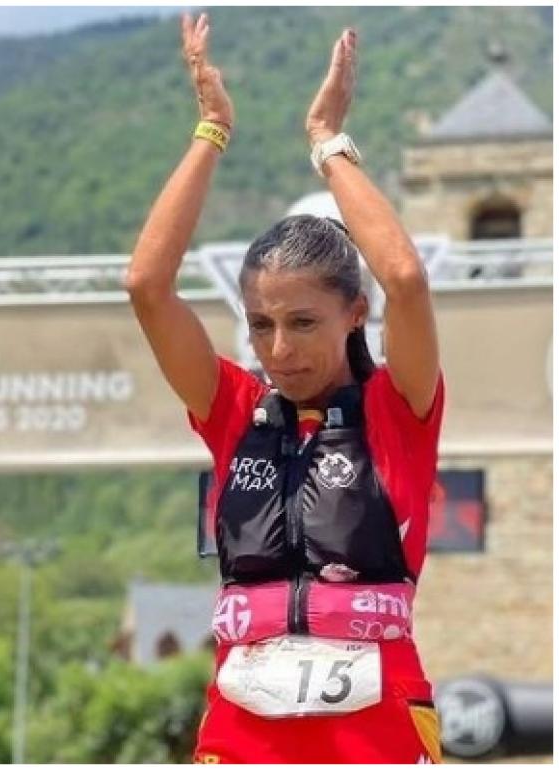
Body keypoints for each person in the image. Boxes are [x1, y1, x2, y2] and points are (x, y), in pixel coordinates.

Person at [124, 16, 443, 764]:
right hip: (243, 716)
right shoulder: (234, 411)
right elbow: (146, 284)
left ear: (353, 314)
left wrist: (327, 140)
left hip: (377, 714)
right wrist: (211, 128)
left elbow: (404, 277)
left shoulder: (402, 408)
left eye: (303, 322)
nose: (279, 348)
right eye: (261, 324)